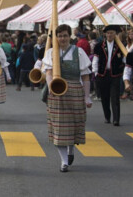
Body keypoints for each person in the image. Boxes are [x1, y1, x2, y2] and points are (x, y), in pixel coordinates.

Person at [43, 24, 92, 172]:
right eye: (59, 36)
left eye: (65, 35)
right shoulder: (51, 52)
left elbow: (85, 76)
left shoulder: (79, 52)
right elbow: (49, 72)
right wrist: (52, 87)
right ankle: (64, 161)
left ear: (69, 36)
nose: (62, 38)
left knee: (74, 125)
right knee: (59, 128)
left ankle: (71, 149)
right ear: (56, 37)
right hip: (57, 93)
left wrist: (87, 97)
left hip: (75, 91)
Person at [93, 25, 125, 126]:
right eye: (108, 33)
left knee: (115, 97)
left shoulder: (120, 45)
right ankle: (107, 116)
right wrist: (96, 73)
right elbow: (95, 60)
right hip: (102, 74)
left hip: (115, 74)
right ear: (105, 34)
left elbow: (125, 59)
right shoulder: (99, 46)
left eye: (111, 33)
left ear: (115, 34)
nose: (110, 35)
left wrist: (123, 68)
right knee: (105, 97)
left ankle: (116, 119)